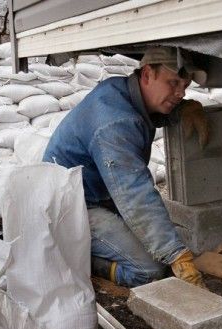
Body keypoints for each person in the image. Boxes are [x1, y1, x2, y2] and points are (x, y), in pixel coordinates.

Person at [43, 46, 208, 288]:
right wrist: (177, 256)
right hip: (72, 206)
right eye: (173, 83)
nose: (180, 93)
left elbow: (150, 112)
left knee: (160, 241)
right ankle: (83, 260)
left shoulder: (123, 92)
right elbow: (134, 193)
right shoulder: (114, 122)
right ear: (147, 74)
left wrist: (183, 109)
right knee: (151, 269)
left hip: (97, 194)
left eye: (185, 86)